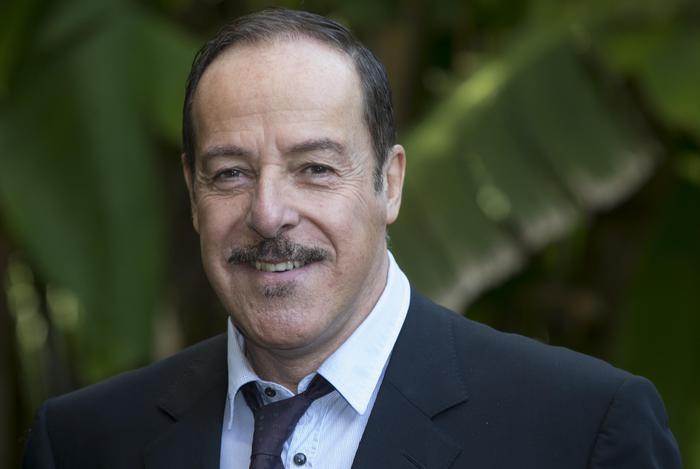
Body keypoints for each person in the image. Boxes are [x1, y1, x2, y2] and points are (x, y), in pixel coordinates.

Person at [24, 8, 681, 469]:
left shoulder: (581, 430)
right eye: (230, 173)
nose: (269, 213)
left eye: (315, 168)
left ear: (389, 184)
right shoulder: (84, 442)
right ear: (194, 195)